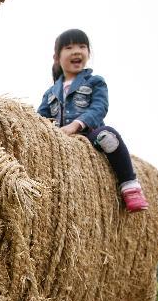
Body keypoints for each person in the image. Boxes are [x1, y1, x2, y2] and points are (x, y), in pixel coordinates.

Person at [37, 29, 148, 212]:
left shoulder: (95, 82)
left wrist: (75, 125)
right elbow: (40, 117)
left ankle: (130, 185)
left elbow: (99, 108)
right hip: (59, 139)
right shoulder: (50, 93)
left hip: (89, 134)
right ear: (57, 57)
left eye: (82, 46)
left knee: (108, 135)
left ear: (89, 53)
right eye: (69, 47)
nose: (76, 51)